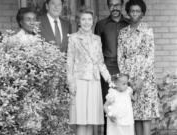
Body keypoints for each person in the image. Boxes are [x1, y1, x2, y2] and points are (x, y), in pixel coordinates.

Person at [67, 7, 111, 135]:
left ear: (93, 21)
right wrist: (71, 83)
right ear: (78, 21)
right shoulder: (74, 38)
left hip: (94, 81)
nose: (87, 22)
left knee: (91, 120)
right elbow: (70, 62)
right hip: (79, 81)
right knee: (81, 120)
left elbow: (100, 62)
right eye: (83, 19)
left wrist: (109, 78)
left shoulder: (97, 39)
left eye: (89, 19)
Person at [118, 0, 159, 135]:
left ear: (142, 13)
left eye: (138, 11)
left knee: (145, 116)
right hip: (129, 79)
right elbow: (121, 57)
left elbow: (150, 56)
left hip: (145, 79)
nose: (134, 13)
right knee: (134, 116)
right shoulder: (123, 33)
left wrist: (141, 78)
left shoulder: (147, 31)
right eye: (132, 11)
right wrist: (126, 79)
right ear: (128, 13)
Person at [94, 0, 129, 134]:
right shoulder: (101, 25)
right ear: (108, 6)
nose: (115, 8)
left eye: (117, 5)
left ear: (122, 6)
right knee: (108, 104)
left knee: (124, 103)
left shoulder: (128, 24)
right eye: (111, 5)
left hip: (125, 69)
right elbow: (97, 50)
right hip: (108, 69)